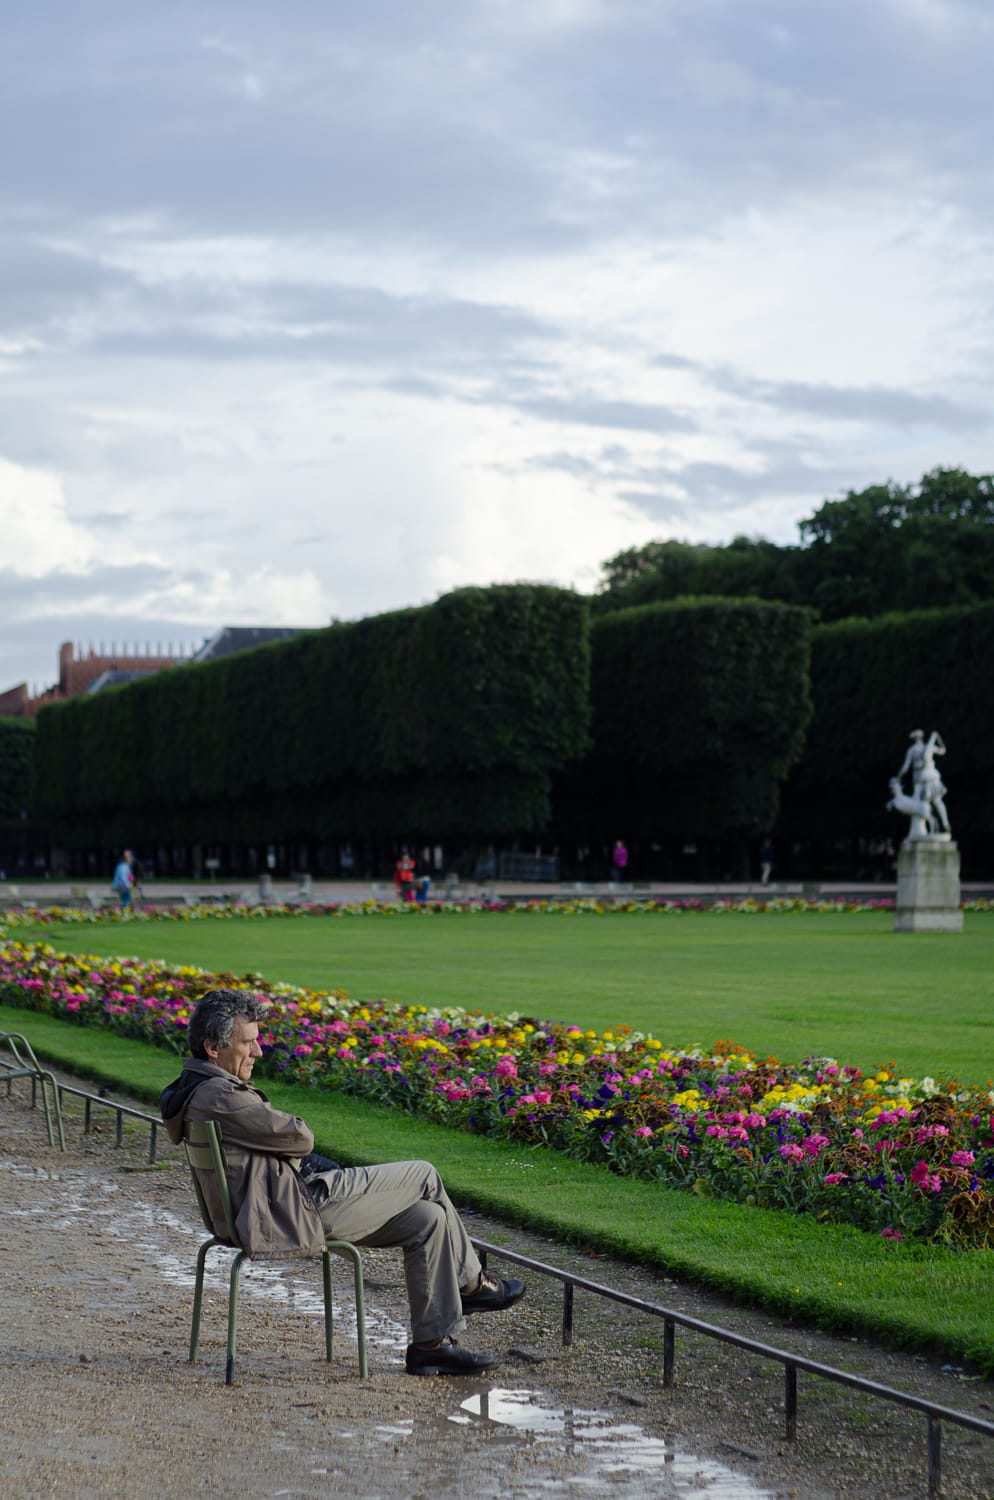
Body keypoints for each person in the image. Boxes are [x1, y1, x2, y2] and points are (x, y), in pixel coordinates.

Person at [161, 989, 525, 1376]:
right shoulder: (222, 1096)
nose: (258, 1052)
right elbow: (301, 1136)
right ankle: (472, 1285)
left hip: (273, 1208)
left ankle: (431, 1346)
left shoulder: (196, 1089)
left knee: (428, 1218)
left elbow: (281, 1143)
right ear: (213, 1048)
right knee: (423, 1173)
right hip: (292, 1213)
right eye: (248, 1042)